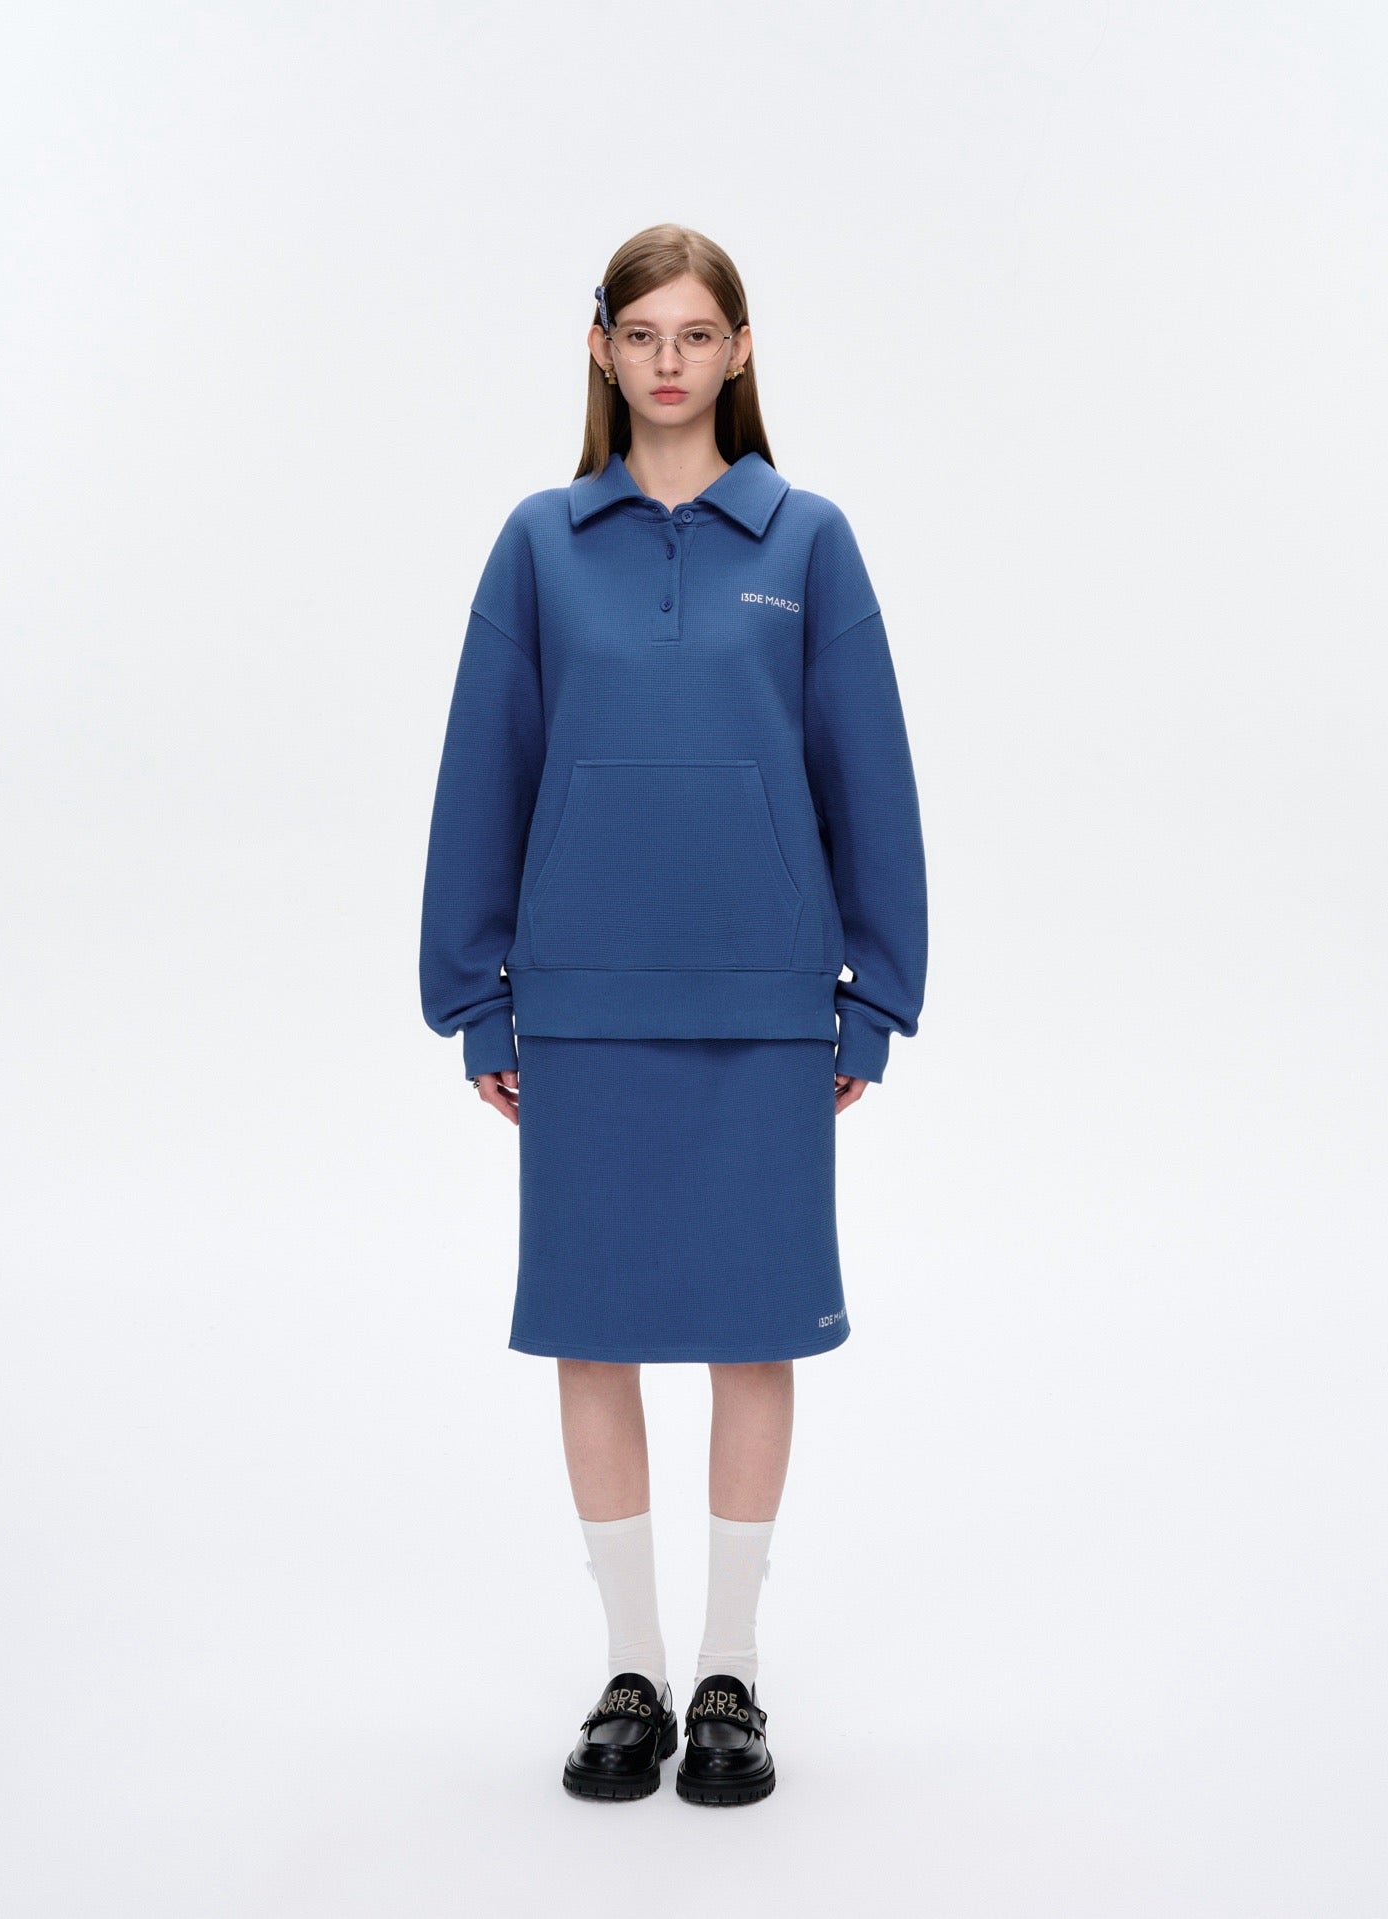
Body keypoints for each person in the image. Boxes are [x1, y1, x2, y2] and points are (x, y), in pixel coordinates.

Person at [417, 223, 928, 1806]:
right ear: (601, 348)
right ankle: (631, 1669)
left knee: (753, 1333)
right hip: (581, 1004)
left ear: (739, 351)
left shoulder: (809, 541)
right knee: (595, 1330)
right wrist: (476, 992)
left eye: (697, 334)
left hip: (766, 1007)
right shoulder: (538, 544)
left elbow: (868, 774)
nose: (668, 362)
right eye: (642, 333)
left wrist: (874, 994)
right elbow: (485, 771)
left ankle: (730, 1674)